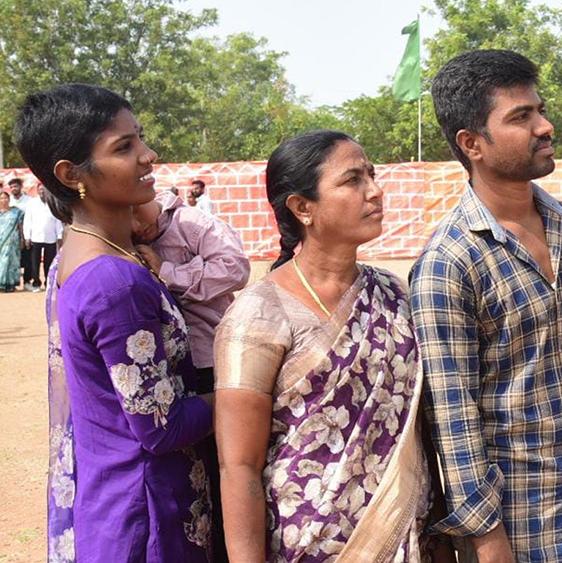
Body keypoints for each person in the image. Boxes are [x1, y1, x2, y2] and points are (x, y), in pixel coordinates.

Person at [410, 49, 562, 563]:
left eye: (539, 109)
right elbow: (454, 419)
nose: (545, 126)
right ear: (472, 144)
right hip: (518, 531)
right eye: (521, 117)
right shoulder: (447, 263)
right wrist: (486, 538)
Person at [214, 130, 441, 562]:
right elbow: (238, 466)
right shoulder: (259, 315)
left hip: (407, 536)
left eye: (372, 175)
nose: (375, 191)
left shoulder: (393, 293)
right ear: (303, 208)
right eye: (352, 180)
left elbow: (417, 425)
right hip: (312, 544)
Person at [16, 83, 214, 562]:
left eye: (139, 138)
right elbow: (161, 428)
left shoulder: (78, 254)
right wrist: (251, 392)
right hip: (147, 517)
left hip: (113, 492)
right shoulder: (113, 281)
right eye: (124, 147)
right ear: (71, 174)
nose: (149, 155)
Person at [133, 189, 252, 562]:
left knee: (225, 465)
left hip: (211, 360)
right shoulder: (129, 238)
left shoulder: (193, 224)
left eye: (136, 217)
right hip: (168, 368)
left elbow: (236, 268)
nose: (133, 227)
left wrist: (167, 272)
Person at [22, 184, 65, 292]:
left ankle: (48, 283)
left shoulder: (53, 202)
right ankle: (36, 283)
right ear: (37, 191)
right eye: (40, 190)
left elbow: (57, 220)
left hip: (50, 237)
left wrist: (59, 237)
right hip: (35, 237)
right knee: (34, 262)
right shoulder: (32, 203)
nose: (42, 192)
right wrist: (27, 237)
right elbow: (27, 221)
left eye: (44, 190)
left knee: (49, 262)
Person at [8, 177, 34, 289]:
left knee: (27, 259)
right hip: (10, 236)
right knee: (11, 260)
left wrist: (25, 237)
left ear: (20, 187)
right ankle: (11, 282)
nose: (14, 188)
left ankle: (27, 282)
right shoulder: (8, 200)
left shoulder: (29, 201)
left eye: (16, 186)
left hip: (26, 233)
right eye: (12, 187)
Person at [0, 191, 24, 292]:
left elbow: (20, 226)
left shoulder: (16, 212)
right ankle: (1, 283)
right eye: (1, 198)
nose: (4, 200)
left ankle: (11, 284)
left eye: (6, 198)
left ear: (9, 199)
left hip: (13, 242)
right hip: (1, 241)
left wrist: (22, 239)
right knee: (2, 262)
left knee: (13, 262)